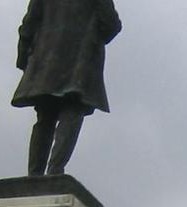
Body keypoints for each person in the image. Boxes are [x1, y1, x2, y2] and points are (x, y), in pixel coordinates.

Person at [12, 0, 122, 176]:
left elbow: (28, 25)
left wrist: (23, 58)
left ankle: (34, 175)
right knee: (72, 111)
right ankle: (55, 170)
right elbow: (110, 25)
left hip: (46, 59)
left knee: (45, 117)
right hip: (80, 58)